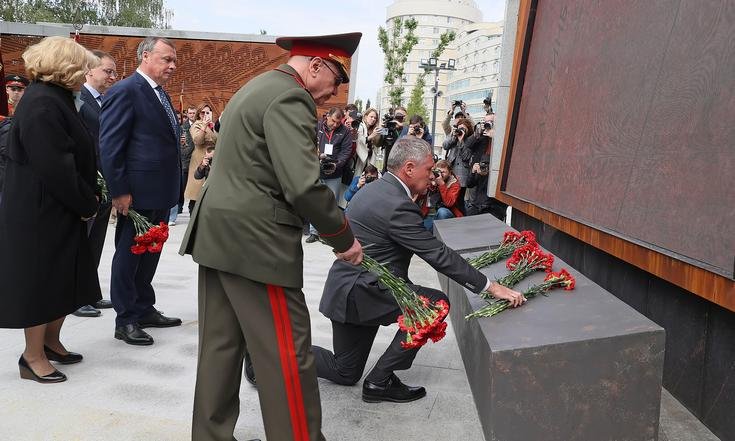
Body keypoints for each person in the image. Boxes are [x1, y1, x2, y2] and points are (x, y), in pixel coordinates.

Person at [179, 32, 364, 441]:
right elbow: (302, 186)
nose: (334, 92)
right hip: (256, 244)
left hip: (219, 236)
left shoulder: (257, 85)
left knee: (220, 350)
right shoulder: (290, 96)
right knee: (286, 355)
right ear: (315, 65)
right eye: (335, 79)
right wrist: (343, 237)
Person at [313, 137, 525, 403]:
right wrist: (490, 286)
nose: (434, 177)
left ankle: (268, 358)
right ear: (409, 168)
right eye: (430, 170)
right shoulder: (397, 204)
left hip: (346, 292)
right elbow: (437, 254)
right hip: (365, 292)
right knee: (434, 305)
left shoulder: (374, 189)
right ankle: (380, 382)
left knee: (344, 371)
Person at [0, 36, 101, 383]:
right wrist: (87, 203)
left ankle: (52, 342)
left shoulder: (55, 98)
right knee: (41, 283)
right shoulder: (43, 102)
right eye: (83, 66)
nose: (87, 72)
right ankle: (32, 356)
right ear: (66, 66)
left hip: (56, 209)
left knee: (63, 278)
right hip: (41, 212)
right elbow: (55, 166)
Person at [100, 36, 182, 346]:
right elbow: (110, 146)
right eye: (166, 59)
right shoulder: (125, 91)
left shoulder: (159, 93)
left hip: (160, 190)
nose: (172, 66)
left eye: (174, 61)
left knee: (151, 252)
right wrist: (119, 190)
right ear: (146, 56)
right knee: (129, 255)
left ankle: (144, 307)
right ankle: (126, 319)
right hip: (137, 193)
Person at [73, 49, 118, 318]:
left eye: (114, 72)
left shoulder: (106, 100)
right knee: (83, 242)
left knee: (97, 241)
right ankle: (76, 297)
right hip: (88, 182)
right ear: (90, 71)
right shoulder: (79, 99)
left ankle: (90, 292)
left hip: (104, 183)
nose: (113, 76)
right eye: (107, 71)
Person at [305, 106, 353, 243]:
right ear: (327, 116)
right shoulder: (317, 126)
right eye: (333, 121)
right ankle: (313, 232)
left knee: (331, 204)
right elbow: (308, 142)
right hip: (316, 170)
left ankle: (328, 235)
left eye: (339, 122)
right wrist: (316, 155)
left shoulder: (345, 131)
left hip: (334, 173)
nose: (336, 125)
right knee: (314, 202)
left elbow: (346, 152)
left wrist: (336, 165)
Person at [466, 113, 507, 220]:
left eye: (491, 122)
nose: (488, 125)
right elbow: (468, 145)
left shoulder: (502, 136)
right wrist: (477, 133)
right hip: (479, 176)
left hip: (494, 184)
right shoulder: (481, 136)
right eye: (486, 122)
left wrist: (496, 137)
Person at [184, 103, 217, 214]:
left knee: (208, 191)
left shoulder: (212, 126)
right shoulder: (196, 125)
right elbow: (197, 141)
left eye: (208, 112)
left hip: (212, 158)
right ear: (199, 114)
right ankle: (193, 214)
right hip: (199, 158)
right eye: (202, 112)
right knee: (196, 192)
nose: (205, 115)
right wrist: (203, 127)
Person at [169, 104, 197, 225]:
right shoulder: (182, 128)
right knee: (180, 188)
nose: (192, 115)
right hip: (185, 162)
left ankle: (193, 214)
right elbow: (182, 147)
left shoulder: (199, 125)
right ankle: (174, 214)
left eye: (194, 113)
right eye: (190, 113)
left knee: (194, 190)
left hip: (197, 163)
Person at [418, 159, 463, 231]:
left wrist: (442, 184)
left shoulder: (454, 184)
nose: (440, 175)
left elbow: (449, 203)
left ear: (450, 172)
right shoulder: (432, 179)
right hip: (429, 213)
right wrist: (431, 184)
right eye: (438, 171)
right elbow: (421, 195)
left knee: (442, 212)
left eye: (443, 172)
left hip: (448, 214)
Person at [443, 117, 474, 213]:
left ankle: (460, 218)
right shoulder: (454, 137)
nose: (461, 130)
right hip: (451, 173)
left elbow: (466, 157)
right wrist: (453, 136)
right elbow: (445, 146)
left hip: (462, 175)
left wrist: (461, 141)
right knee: (450, 199)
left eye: (463, 128)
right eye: (460, 128)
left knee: (459, 201)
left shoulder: (470, 140)